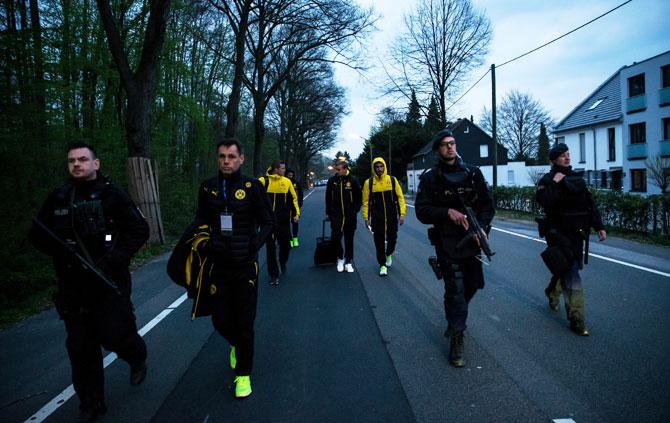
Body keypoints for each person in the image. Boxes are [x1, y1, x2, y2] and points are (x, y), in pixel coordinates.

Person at [29, 142, 149, 421]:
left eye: (83, 159)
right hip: (73, 286)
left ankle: (137, 357)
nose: (77, 164)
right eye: (72, 160)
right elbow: (37, 234)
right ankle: (91, 404)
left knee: (116, 335)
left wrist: (113, 260)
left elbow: (139, 230)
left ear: (96, 163)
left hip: (108, 282)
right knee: (81, 347)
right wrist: (62, 251)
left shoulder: (112, 195)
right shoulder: (59, 197)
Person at [194, 138, 275, 397]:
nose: (226, 161)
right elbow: (200, 222)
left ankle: (243, 375)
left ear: (242, 159)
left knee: (245, 323)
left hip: (245, 267)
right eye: (222, 156)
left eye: (231, 156)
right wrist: (206, 244)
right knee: (220, 320)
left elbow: (269, 222)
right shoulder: (208, 188)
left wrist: (254, 245)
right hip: (218, 266)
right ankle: (234, 344)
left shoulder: (252, 187)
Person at [415, 129, 495, 368]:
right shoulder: (430, 178)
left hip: (472, 240)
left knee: (474, 284)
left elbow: (487, 205)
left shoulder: (473, 173)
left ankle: (455, 315)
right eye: (444, 145)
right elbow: (421, 211)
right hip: (446, 241)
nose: (450, 147)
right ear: (438, 150)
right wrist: (446, 212)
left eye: (452, 143)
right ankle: (457, 337)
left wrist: (481, 228)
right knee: (455, 290)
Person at [536, 143, 606, 336]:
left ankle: (552, 291)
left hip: (577, 233)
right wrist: (556, 183)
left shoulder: (577, 179)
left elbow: (590, 205)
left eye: (568, 154)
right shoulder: (548, 179)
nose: (567, 158)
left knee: (567, 267)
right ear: (554, 160)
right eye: (562, 155)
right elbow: (544, 201)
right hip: (557, 233)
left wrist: (599, 226)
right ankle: (577, 319)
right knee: (571, 272)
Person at [362, 157, 406, 276]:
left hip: (391, 216)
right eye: (377, 167)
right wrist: (366, 218)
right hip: (377, 217)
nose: (379, 169)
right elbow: (365, 202)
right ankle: (382, 265)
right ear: (374, 168)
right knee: (379, 242)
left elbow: (400, 197)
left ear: (384, 167)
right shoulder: (369, 183)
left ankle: (388, 254)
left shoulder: (392, 180)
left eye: (381, 166)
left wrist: (402, 214)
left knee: (392, 238)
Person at [258, 161, 300, 285]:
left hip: (283, 221)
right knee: (270, 249)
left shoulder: (287, 182)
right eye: (282, 168)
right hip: (268, 222)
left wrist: (296, 214)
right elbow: (255, 200)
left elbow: (294, 199)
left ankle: (282, 262)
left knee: (286, 246)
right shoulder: (262, 181)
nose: (284, 170)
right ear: (275, 169)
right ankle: (274, 275)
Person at [325, 159, 362, 273]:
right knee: (335, 238)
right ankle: (340, 258)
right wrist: (328, 212)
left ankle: (348, 261)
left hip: (350, 215)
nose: (337, 171)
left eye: (339, 169)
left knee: (349, 239)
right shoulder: (332, 181)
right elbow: (328, 198)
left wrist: (355, 210)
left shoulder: (353, 180)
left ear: (345, 169)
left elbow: (358, 197)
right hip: (336, 215)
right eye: (336, 169)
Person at [285, 168, 304, 248]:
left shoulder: (296, 183)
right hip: (285, 207)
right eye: (289, 175)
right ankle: (289, 240)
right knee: (286, 224)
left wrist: (299, 204)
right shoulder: (283, 183)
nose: (290, 176)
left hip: (295, 207)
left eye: (292, 175)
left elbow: (300, 194)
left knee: (295, 222)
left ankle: (295, 239)